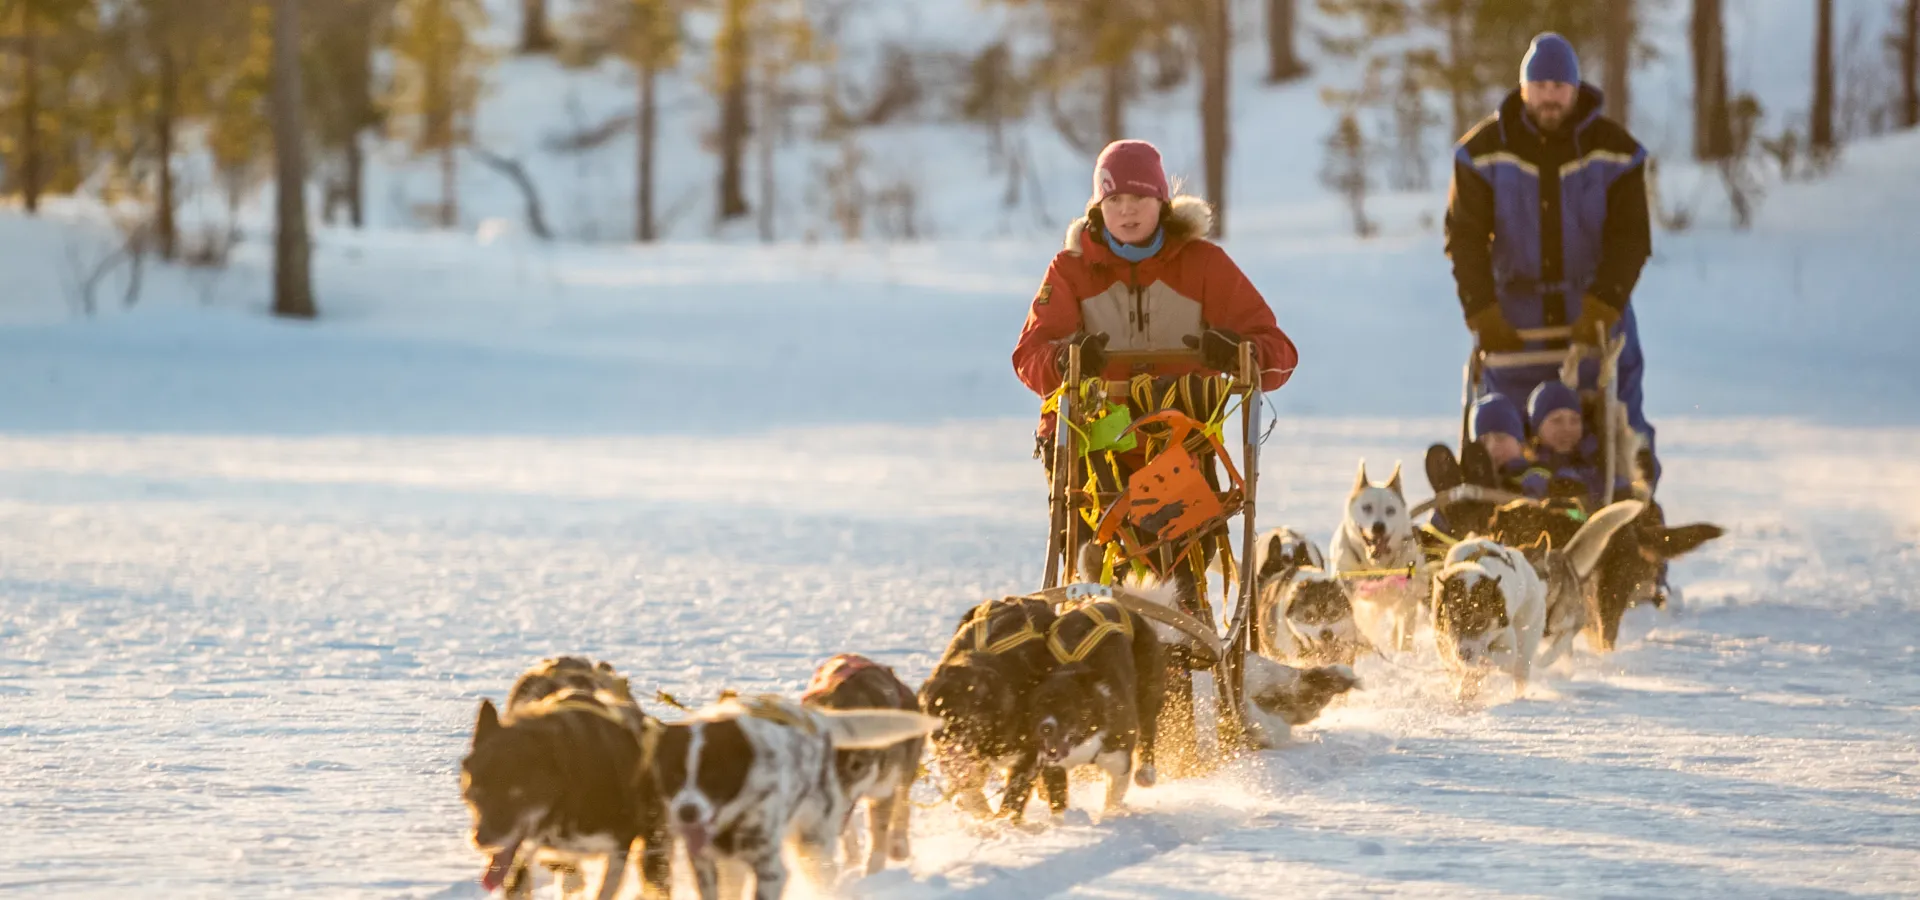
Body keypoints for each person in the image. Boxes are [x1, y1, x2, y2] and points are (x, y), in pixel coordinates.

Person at [1444, 32, 1660, 491]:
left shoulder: (1616, 151)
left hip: (1596, 312)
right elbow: (1464, 238)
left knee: (1615, 423)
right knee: (1504, 425)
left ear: (1576, 89)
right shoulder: (1481, 154)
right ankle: (1500, 511)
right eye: (1540, 86)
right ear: (1524, 88)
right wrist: (1481, 308)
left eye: (1559, 86)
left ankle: (1626, 512)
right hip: (1512, 319)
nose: (1550, 96)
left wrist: (1605, 302)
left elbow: (1630, 238)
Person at [1519, 381, 1630, 505]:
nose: (1567, 428)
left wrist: (1628, 496)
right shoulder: (1531, 473)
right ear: (1537, 429)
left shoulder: (1595, 466)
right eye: (1556, 420)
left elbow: (1611, 487)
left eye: (1574, 420)